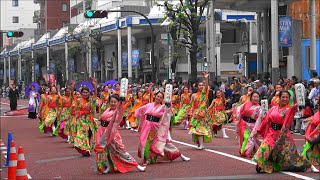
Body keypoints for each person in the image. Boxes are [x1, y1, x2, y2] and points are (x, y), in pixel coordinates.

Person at [253, 91, 311, 173]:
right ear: (279, 98)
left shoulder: (289, 109)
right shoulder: (273, 108)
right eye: (283, 97)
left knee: (290, 156)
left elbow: (289, 117)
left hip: (282, 135)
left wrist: (294, 108)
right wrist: (258, 131)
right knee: (265, 146)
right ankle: (262, 164)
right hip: (271, 132)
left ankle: (305, 165)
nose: (285, 99)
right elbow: (266, 120)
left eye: (287, 97)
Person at [94, 94, 146, 174]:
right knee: (102, 150)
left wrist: (121, 102)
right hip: (102, 131)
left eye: (115, 102)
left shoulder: (118, 111)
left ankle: (136, 165)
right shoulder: (107, 109)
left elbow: (121, 109)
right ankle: (107, 166)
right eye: (111, 101)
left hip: (112, 133)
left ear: (118, 103)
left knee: (121, 150)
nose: (113, 103)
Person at [135, 91, 190, 165]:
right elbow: (138, 111)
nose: (159, 98)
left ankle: (180, 155)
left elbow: (168, 112)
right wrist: (139, 122)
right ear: (155, 96)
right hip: (146, 125)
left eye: (161, 97)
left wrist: (168, 105)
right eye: (158, 96)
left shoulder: (163, 107)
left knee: (165, 143)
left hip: (156, 127)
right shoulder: (148, 105)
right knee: (144, 143)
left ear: (162, 99)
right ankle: (146, 159)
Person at [188, 72, 212, 149]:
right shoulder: (193, 95)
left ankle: (201, 144)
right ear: (197, 87)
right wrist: (190, 113)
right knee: (196, 129)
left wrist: (206, 78)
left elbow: (207, 85)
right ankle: (200, 144)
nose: (201, 86)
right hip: (195, 113)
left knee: (200, 129)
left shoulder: (205, 93)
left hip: (203, 114)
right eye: (200, 85)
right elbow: (191, 105)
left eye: (202, 85)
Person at [74, 80, 98, 156]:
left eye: (86, 92)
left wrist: (94, 86)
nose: (85, 94)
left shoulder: (91, 100)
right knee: (83, 133)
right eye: (83, 92)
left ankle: (88, 147)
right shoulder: (78, 100)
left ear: (89, 93)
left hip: (89, 118)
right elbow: (76, 110)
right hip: (81, 119)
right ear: (81, 93)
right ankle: (85, 148)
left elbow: (95, 96)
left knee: (90, 133)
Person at [235, 91, 261, 157]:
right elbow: (239, 112)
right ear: (251, 97)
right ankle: (243, 151)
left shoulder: (259, 108)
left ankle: (247, 151)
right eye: (254, 97)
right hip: (243, 124)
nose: (256, 98)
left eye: (257, 97)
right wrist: (237, 122)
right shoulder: (246, 104)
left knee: (252, 140)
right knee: (245, 138)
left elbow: (259, 119)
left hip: (253, 125)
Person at [302, 99, 320, 173]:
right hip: (313, 132)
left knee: (309, 145)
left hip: (316, 133)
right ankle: (309, 163)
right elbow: (314, 118)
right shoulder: (317, 113)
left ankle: (308, 163)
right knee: (308, 147)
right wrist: (309, 119)